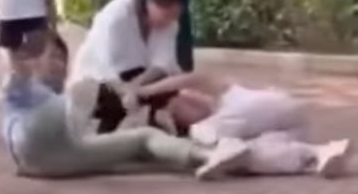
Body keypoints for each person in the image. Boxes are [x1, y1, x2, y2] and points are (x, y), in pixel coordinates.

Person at [0, 33, 327, 180]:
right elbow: (16, 96)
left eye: (61, 57)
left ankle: (309, 156)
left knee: (147, 143)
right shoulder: (42, 95)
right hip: (37, 142)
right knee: (58, 99)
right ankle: (308, 155)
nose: (59, 63)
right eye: (52, 57)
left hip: (63, 155)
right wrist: (19, 74)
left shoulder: (207, 116)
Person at [136, 72, 351, 178]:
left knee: (203, 135)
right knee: (256, 155)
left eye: (177, 109)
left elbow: (190, 78)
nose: (184, 115)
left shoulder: (226, 93)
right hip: (294, 129)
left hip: (269, 105)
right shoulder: (224, 124)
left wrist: (145, 91)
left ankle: (225, 149)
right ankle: (321, 153)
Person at [69, 0, 186, 134]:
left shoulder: (170, 25)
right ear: (150, 2)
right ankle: (113, 129)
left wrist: (134, 87)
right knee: (117, 99)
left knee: (169, 86)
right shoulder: (118, 13)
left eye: (174, 16)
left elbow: (163, 64)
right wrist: (125, 90)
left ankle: (152, 120)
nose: (169, 21)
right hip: (99, 80)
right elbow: (104, 64)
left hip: (134, 78)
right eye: (166, 15)